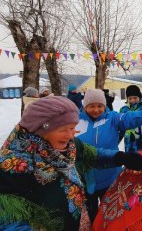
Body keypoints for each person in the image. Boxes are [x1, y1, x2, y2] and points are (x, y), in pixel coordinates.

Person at [0, 96, 130, 230]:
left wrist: (121, 157)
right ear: (41, 128)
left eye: (73, 128)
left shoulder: (70, 145)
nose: (70, 135)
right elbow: (9, 220)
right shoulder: (12, 165)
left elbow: (92, 155)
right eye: (63, 130)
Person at [75, 88, 142, 221]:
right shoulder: (75, 121)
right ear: (85, 106)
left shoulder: (112, 119)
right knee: (90, 217)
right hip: (84, 182)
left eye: (99, 106)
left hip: (110, 179)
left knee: (110, 217)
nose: (96, 110)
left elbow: (134, 117)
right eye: (91, 106)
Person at [119, 85, 142, 152]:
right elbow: (120, 127)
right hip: (130, 145)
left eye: (135, 98)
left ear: (139, 97)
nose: (132, 100)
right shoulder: (124, 110)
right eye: (130, 98)